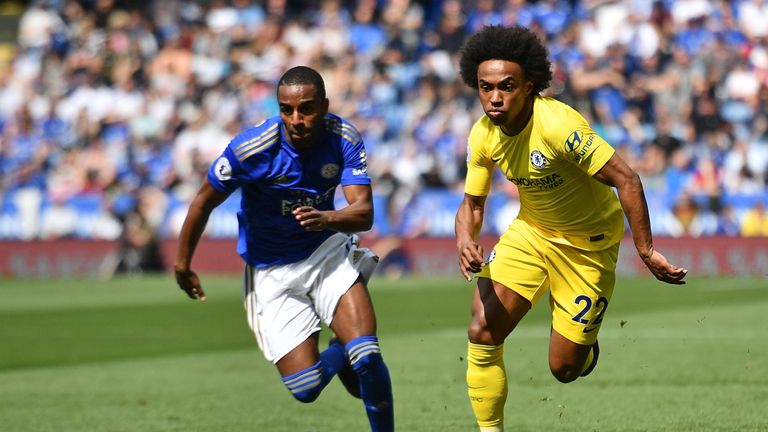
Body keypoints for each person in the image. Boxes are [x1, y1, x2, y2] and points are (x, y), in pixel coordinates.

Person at [453, 26, 688, 432]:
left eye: (506, 86)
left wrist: (646, 251)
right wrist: (465, 238)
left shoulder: (559, 126)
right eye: (485, 87)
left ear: (529, 86)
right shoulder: (483, 134)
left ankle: (584, 348)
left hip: (588, 248)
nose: (494, 97)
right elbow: (473, 204)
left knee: (564, 369)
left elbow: (628, 179)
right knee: (482, 329)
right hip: (531, 234)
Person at [174, 66, 394, 431]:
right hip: (271, 269)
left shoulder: (344, 137)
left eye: (306, 108)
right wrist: (183, 264)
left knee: (368, 356)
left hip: (325, 253)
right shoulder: (250, 150)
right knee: (305, 387)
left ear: (324, 105)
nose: (297, 119)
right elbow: (202, 202)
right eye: (287, 109)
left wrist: (326, 220)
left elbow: (364, 213)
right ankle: (342, 345)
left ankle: (356, 352)